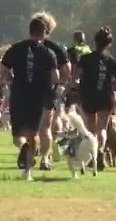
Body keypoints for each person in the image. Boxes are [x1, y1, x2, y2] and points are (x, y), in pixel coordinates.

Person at [0, 17, 59, 181]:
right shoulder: (48, 53)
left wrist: (10, 79)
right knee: (33, 133)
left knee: (17, 133)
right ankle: (27, 172)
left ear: (30, 30)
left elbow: (3, 70)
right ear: (44, 33)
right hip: (38, 97)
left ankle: (22, 145)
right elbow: (56, 77)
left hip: (19, 94)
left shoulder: (16, 48)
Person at [75, 27, 116, 171]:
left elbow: (77, 75)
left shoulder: (86, 59)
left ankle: (93, 156)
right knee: (102, 127)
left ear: (94, 42)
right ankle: (100, 150)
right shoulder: (111, 61)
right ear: (108, 44)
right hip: (105, 96)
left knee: (90, 127)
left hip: (89, 95)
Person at [30, 12, 70, 171]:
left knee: (31, 126)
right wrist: (59, 83)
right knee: (47, 125)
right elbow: (66, 71)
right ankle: (45, 158)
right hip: (49, 90)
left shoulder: (25, 46)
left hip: (28, 90)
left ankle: (30, 154)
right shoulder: (57, 48)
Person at [66, 30, 91, 111]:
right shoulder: (88, 50)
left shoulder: (72, 50)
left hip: (75, 79)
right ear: (83, 39)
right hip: (87, 81)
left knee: (68, 104)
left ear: (74, 39)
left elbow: (73, 66)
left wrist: (72, 82)